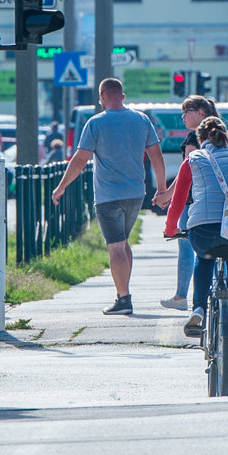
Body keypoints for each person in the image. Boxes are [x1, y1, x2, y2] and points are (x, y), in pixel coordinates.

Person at [50, 77, 166, 315]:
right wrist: (162, 189)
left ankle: (124, 300)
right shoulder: (142, 120)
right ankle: (123, 292)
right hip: (136, 194)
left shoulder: (95, 123)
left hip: (108, 196)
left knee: (115, 248)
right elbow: (156, 156)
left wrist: (61, 187)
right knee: (123, 243)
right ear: (122, 96)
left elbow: (80, 160)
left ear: (101, 97)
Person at [163, 116, 228, 387]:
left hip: (203, 231)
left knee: (204, 255)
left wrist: (171, 229)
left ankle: (198, 308)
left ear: (200, 137)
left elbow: (178, 201)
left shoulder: (193, 160)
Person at [161, 135, 201, 310]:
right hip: (218, 202)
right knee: (216, 247)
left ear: (201, 112)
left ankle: (181, 296)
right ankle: (220, 291)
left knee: (186, 246)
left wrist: (168, 196)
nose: (183, 115)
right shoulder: (221, 135)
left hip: (191, 200)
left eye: (187, 110)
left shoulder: (194, 138)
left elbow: (186, 174)